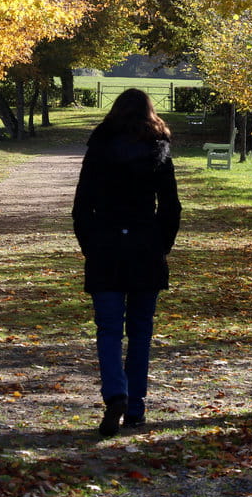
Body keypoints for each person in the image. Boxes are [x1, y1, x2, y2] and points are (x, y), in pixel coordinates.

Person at [72, 88, 181, 437]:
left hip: (106, 245)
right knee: (140, 332)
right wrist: (161, 245)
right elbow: (171, 207)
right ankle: (135, 407)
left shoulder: (99, 146)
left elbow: (81, 204)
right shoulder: (158, 148)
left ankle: (115, 394)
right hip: (145, 247)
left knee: (107, 330)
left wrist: (90, 245)